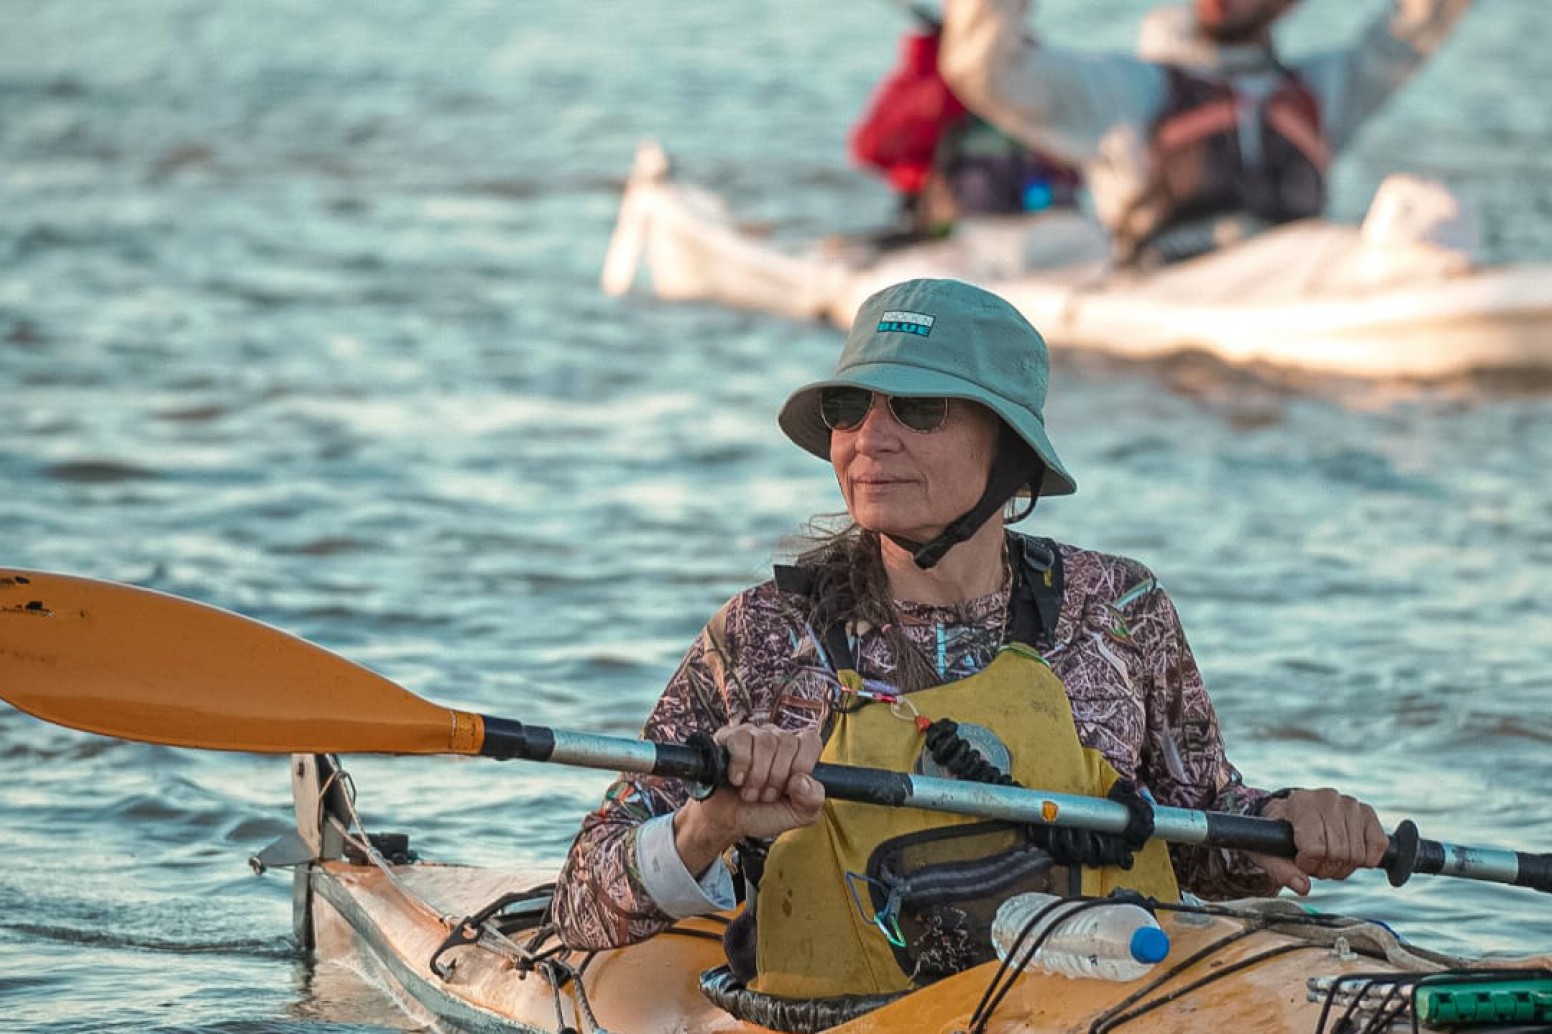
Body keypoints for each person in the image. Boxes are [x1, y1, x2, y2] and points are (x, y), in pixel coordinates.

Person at [551, 279, 1386, 1025]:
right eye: (850, 409)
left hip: (1101, 1006)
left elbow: (1203, 830)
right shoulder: (766, 635)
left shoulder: (1119, 607)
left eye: (917, 409)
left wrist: (1294, 821)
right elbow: (584, 904)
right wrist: (710, 823)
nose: (868, 438)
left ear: (1009, 450)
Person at [937, 0, 1474, 266]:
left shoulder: (1325, 91)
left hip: (1298, 280)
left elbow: (1416, 26)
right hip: (1171, 286)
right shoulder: (1130, 88)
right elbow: (987, 72)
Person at [850, 9, 1083, 245]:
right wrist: (947, 85)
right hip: (955, 229)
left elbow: (1083, 151)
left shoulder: (1036, 65)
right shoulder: (929, 71)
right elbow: (869, 149)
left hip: (1048, 227)